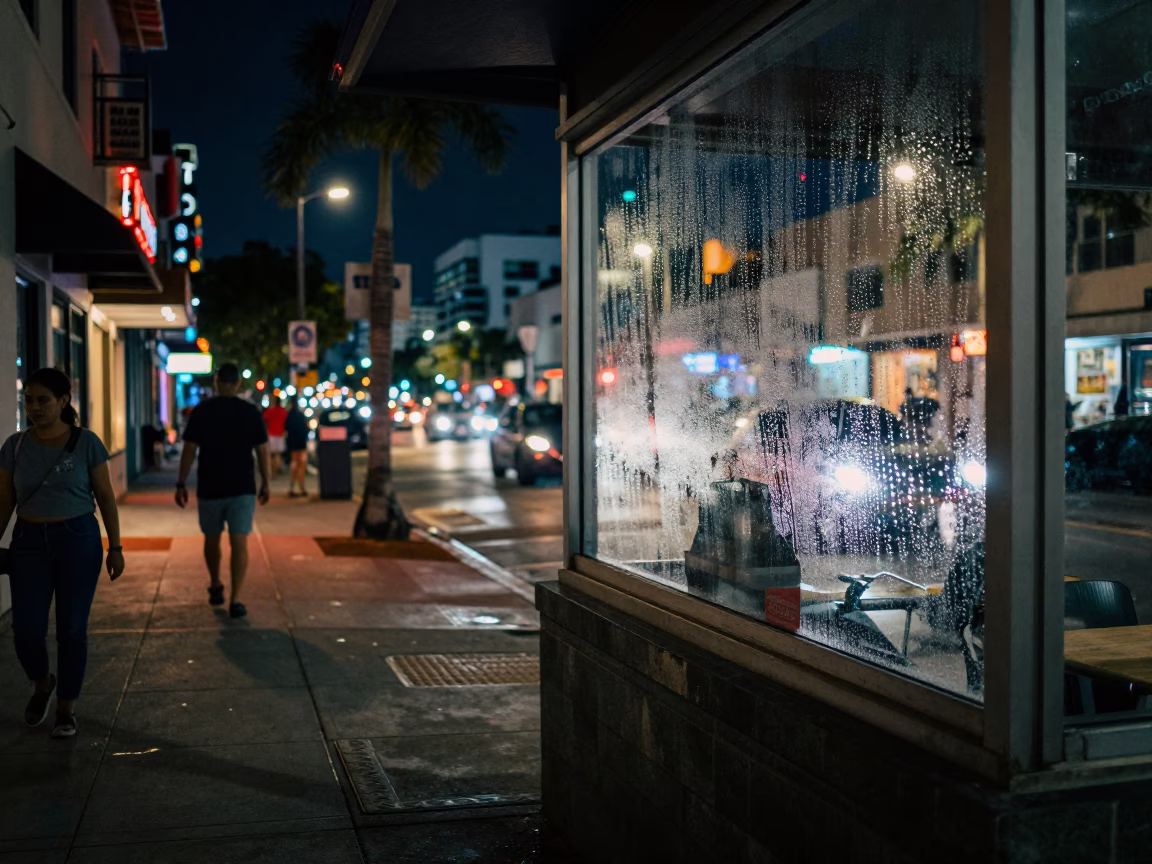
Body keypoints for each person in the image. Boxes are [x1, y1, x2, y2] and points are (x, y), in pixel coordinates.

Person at [0, 368, 125, 738]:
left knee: (71, 630)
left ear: (63, 401)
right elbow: (5, 501)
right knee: (26, 633)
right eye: (30, 401)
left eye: (43, 400)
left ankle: (66, 708)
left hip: (78, 539)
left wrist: (114, 547)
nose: (35, 408)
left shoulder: (86, 443)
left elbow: (105, 497)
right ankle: (43, 683)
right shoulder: (15, 446)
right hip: (29, 542)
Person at [175, 363, 271, 619]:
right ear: (238, 383)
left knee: (212, 538)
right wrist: (267, 483)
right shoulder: (251, 412)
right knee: (239, 541)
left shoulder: (202, 411)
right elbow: (262, 451)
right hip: (242, 487)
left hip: (210, 485)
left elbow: (189, 449)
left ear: (217, 382)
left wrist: (181, 483)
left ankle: (216, 583)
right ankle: (236, 599)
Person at [284, 401, 310, 498]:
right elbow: (306, 429)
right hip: (301, 443)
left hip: (293, 444)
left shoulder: (289, 416)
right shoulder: (301, 416)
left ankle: (292, 488)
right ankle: (302, 488)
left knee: (294, 463)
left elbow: (286, 428)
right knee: (302, 465)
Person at [263, 395, 288, 475]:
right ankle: (277, 469)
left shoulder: (269, 411)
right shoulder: (283, 411)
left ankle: (272, 470)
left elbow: (264, 420)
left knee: (270, 454)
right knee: (278, 454)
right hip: (280, 434)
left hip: (271, 434)